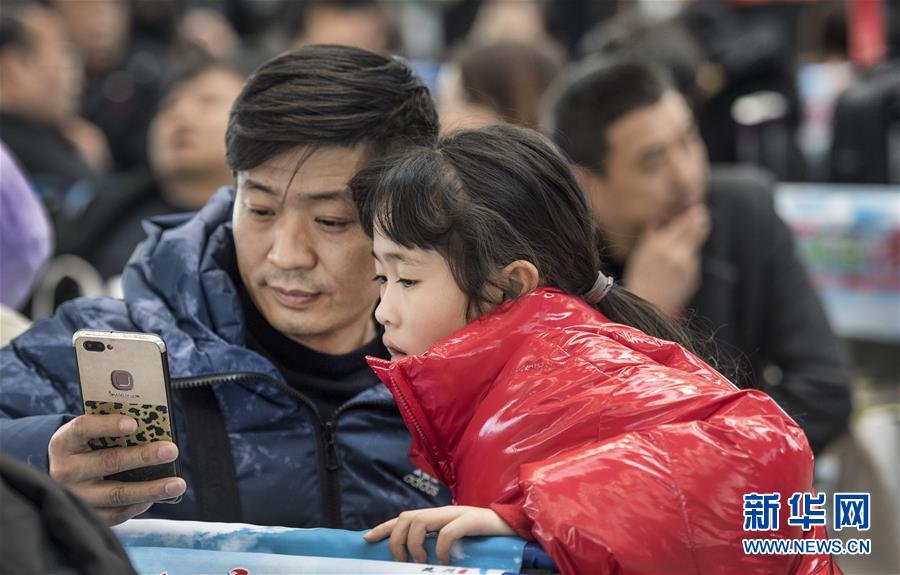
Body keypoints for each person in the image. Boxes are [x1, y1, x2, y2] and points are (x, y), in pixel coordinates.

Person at [351, 124, 837, 573]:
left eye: (407, 279)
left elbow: (769, 449)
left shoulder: (575, 368)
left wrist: (534, 515)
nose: (384, 311)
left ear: (510, 285)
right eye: (381, 277)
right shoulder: (510, 383)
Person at [0, 44, 450, 528]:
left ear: (405, 218)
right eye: (260, 210)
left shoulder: (466, 368)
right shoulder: (112, 350)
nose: (286, 255)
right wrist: (38, 464)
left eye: (330, 220)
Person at [544, 57, 852, 454]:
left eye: (688, 139)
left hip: (741, 483)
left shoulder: (743, 209)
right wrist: (641, 316)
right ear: (585, 184)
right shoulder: (554, 268)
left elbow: (825, 390)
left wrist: (708, 464)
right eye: (653, 161)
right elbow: (574, 441)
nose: (685, 175)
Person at [53, 58, 246, 281]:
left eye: (208, 101)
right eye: (168, 105)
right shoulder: (107, 209)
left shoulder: (260, 238)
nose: (180, 113)